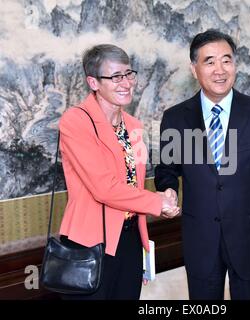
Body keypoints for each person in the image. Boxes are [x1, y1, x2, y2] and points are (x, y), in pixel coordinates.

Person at [154, 29, 250, 300]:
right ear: (194, 69)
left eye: (226, 60)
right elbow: (167, 169)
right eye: (210, 61)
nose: (220, 70)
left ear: (235, 65)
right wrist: (168, 189)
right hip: (200, 237)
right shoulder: (176, 118)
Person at [58, 44, 179, 300]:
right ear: (93, 82)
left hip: (130, 240)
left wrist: (162, 196)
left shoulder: (133, 125)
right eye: (115, 77)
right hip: (90, 244)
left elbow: (131, 186)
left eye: (128, 74)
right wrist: (157, 202)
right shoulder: (76, 121)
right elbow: (104, 188)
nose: (125, 83)